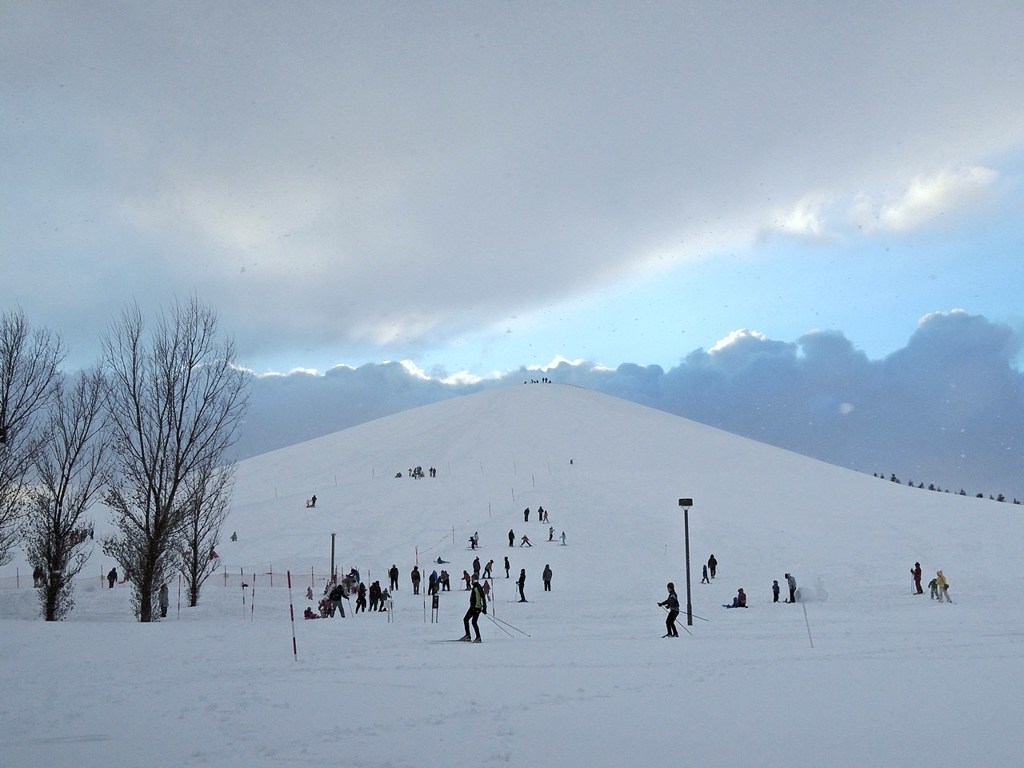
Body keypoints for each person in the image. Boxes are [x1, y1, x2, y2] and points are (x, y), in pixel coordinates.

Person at [461, 577, 487, 642]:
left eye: (472, 580)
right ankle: (470, 636)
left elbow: (483, 597)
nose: (471, 581)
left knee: (470, 621)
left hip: (476, 608)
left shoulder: (478, 587)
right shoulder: (475, 587)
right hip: (474, 607)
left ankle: (475, 637)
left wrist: (484, 608)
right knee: (468, 620)